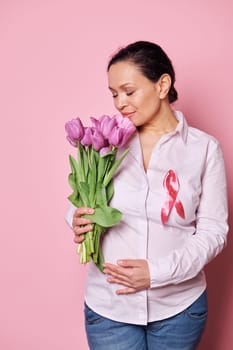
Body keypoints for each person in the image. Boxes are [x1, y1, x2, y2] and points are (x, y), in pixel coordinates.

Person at [66, 41, 228, 350]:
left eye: (129, 91)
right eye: (114, 94)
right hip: (110, 307)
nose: (119, 103)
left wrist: (156, 274)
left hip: (179, 308)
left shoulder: (204, 149)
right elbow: (81, 200)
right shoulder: (106, 144)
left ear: (162, 85)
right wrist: (75, 219)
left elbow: (213, 232)